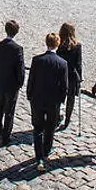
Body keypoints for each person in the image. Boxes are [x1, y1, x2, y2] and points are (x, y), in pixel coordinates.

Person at [26, 32, 69, 171]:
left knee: (37, 128)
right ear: (58, 44)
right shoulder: (62, 63)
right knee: (50, 127)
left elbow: (31, 80)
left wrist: (30, 95)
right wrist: (61, 101)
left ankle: (39, 156)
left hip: (37, 99)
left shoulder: (37, 60)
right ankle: (46, 150)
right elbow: (65, 86)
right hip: (53, 101)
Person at [0, 20, 24, 146]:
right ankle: (6, 136)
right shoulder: (17, 49)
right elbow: (20, 69)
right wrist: (19, 83)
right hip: (12, 85)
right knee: (9, 111)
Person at [56, 22, 83, 130]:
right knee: (70, 98)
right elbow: (79, 64)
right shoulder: (77, 46)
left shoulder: (59, 44)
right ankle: (67, 119)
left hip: (59, 74)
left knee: (57, 97)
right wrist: (79, 78)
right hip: (71, 74)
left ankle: (57, 117)